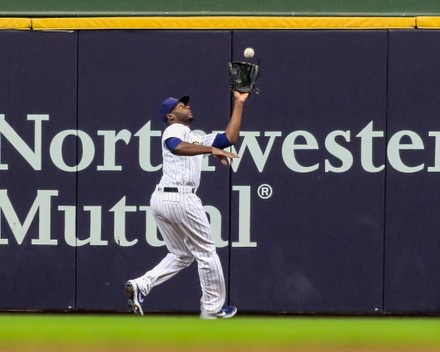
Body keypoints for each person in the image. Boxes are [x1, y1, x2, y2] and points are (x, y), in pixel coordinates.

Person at [126, 91, 249, 319]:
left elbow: (228, 138)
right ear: (171, 116)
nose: (187, 107)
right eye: (181, 106)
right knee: (206, 252)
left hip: (163, 199)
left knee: (181, 254)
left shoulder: (195, 137)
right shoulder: (174, 130)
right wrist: (210, 150)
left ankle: (141, 285)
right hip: (181, 197)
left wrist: (239, 103)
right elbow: (176, 146)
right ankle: (212, 310)